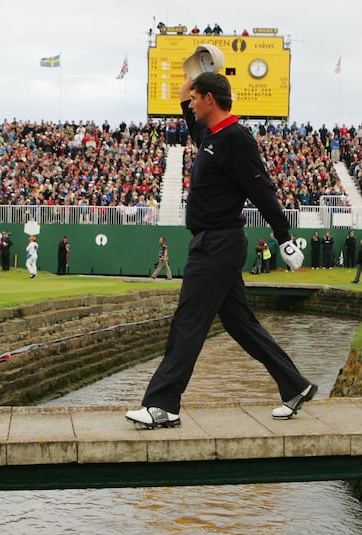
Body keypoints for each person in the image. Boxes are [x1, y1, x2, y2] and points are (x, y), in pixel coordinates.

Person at [125, 71, 316, 429]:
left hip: (217, 244)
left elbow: (263, 189)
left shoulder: (235, 139)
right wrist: (194, 68)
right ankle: (296, 385)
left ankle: (162, 405)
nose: (190, 104)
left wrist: (283, 235)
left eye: (196, 98)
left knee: (188, 321)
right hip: (214, 242)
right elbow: (184, 101)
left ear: (210, 99)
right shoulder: (210, 136)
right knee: (240, 324)